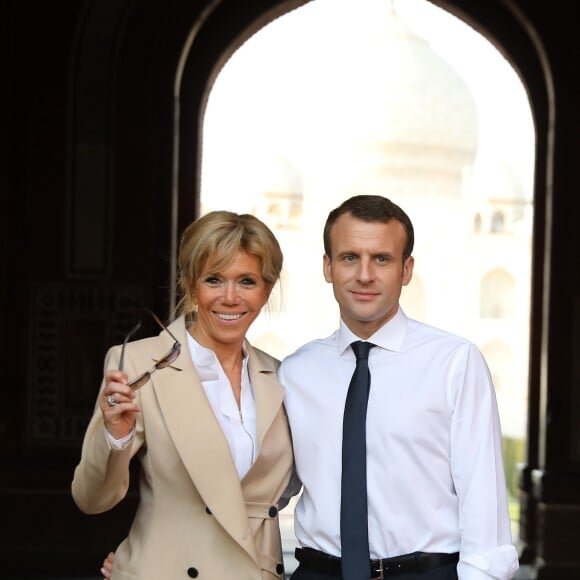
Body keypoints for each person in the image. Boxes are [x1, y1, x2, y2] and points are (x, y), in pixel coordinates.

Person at [279, 195, 519, 579]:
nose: (364, 275)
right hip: (318, 572)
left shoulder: (454, 363)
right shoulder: (295, 372)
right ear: (327, 266)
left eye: (382, 259)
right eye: (349, 257)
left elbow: (484, 509)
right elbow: (265, 487)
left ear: (406, 270)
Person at [72, 211, 294, 580]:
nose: (230, 297)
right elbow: (92, 499)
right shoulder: (140, 363)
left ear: (266, 290)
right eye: (213, 280)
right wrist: (115, 436)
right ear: (191, 286)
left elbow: (278, 494)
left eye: (247, 281)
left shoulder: (281, 376)